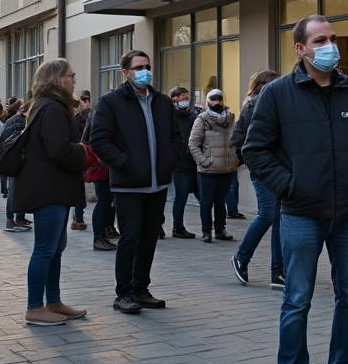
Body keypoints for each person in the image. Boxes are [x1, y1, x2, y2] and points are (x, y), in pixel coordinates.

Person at [243, 14, 348, 364]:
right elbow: (255, 150)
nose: (330, 47)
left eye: (332, 39)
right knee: (297, 299)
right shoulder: (277, 95)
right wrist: (290, 186)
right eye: (320, 40)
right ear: (300, 49)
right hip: (302, 215)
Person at [89, 49, 176, 315]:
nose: (144, 71)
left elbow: (175, 137)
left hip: (157, 184)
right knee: (130, 238)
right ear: (125, 72)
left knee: (150, 237)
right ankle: (123, 293)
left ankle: (141, 288)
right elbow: (99, 141)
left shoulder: (162, 102)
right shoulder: (111, 102)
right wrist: (126, 163)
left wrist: (168, 162)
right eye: (138, 67)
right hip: (128, 184)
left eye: (147, 66)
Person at [12, 60, 88, 327]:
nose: (74, 80)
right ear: (57, 79)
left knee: (56, 247)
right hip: (49, 188)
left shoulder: (46, 106)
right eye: (71, 75)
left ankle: (53, 302)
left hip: (54, 187)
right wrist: (83, 151)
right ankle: (35, 307)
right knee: (45, 248)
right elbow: (59, 150)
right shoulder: (52, 108)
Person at [231, 69, 285, 287]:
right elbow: (242, 140)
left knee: (279, 217)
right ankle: (241, 258)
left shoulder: (273, 104)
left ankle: (278, 273)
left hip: (280, 169)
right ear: (263, 86)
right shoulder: (254, 105)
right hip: (264, 170)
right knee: (269, 214)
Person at [189, 88, 240, 243]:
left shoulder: (230, 118)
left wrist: (235, 159)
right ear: (208, 101)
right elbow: (193, 143)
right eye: (213, 99)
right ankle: (206, 231)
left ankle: (220, 230)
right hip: (208, 170)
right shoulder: (202, 119)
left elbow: (237, 140)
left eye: (219, 99)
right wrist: (204, 161)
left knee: (220, 201)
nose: (217, 102)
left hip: (227, 168)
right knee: (206, 201)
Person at [168, 86, 201, 239]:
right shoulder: (170, 116)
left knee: (203, 196)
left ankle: (210, 225)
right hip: (180, 164)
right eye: (182, 98)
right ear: (174, 99)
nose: (185, 101)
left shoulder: (193, 116)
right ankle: (177, 227)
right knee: (181, 197)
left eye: (187, 98)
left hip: (194, 163)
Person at [80, 116, 118, 251]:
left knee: (107, 202)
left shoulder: (96, 119)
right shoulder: (98, 120)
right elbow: (95, 144)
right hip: (101, 169)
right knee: (103, 201)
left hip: (104, 168)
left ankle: (105, 232)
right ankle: (98, 238)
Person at [0, 103, 33, 233]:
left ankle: (19, 218)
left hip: (15, 159)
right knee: (13, 191)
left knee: (18, 190)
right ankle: (10, 220)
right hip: (15, 160)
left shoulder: (15, 120)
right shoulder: (18, 123)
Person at [71, 91, 93, 230]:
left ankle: (77, 216)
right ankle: (77, 217)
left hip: (86, 154)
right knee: (79, 188)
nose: (84, 103)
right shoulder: (77, 118)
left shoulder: (88, 115)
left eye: (87, 100)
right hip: (79, 155)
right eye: (82, 100)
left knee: (80, 187)